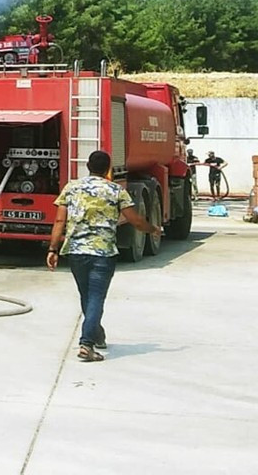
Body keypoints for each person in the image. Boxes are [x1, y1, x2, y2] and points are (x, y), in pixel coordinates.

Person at [46, 150, 160, 363]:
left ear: (87, 166)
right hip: (103, 253)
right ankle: (86, 344)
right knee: (96, 297)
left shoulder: (71, 188)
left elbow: (59, 222)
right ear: (108, 169)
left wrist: (52, 249)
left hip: (76, 252)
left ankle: (96, 334)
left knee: (87, 296)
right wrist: (153, 229)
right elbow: (135, 221)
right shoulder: (116, 190)